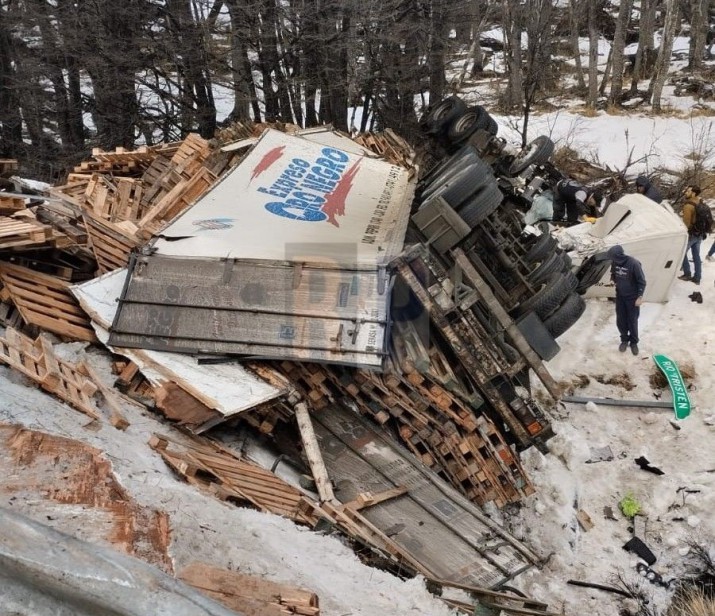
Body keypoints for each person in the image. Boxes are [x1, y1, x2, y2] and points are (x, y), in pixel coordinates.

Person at [608, 244, 646, 355]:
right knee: (621, 320)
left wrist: (640, 296)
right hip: (620, 296)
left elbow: (642, 282)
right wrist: (612, 280)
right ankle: (624, 340)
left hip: (632, 298)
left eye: (613, 258)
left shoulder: (634, 263)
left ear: (618, 256)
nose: (612, 260)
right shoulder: (615, 262)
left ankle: (634, 342)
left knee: (632, 321)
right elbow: (613, 273)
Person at [678, 185, 704, 284]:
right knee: (696, 255)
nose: (685, 192)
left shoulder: (688, 206)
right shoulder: (700, 202)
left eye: (688, 191)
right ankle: (697, 277)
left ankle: (687, 274)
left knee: (682, 253)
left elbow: (686, 224)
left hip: (692, 234)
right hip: (700, 234)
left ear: (693, 193)